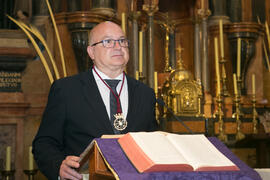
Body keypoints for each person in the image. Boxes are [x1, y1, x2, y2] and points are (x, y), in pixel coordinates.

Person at [32, 21, 158, 180]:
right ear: (91, 52)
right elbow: (44, 142)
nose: (118, 46)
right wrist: (58, 166)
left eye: (122, 41)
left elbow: (153, 143)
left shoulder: (145, 93)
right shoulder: (66, 90)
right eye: (108, 41)